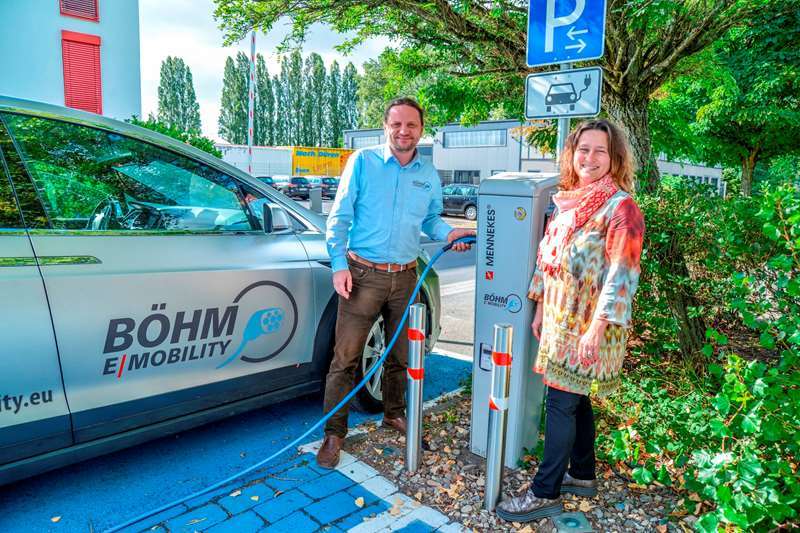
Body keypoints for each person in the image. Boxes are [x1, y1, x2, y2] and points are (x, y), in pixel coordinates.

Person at [496, 119, 645, 522]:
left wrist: (596, 329)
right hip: (560, 319)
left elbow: (621, 275)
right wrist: (541, 306)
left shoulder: (621, 208)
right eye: (584, 149)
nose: (590, 158)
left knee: (561, 402)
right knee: (575, 399)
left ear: (615, 159)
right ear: (572, 154)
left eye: (600, 151)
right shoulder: (570, 202)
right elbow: (550, 261)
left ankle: (544, 491)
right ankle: (582, 473)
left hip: (587, 325)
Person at [317, 97, 476, 469]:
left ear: (421, 130)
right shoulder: (363, 163)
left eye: (412, 125)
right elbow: (338, 217)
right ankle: (333, 433)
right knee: (345, 358)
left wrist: (450, 232)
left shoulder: (427, 173)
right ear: (385, 127)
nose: (404, 131)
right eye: (397, 125)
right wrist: (339, 265)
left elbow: (432, 220)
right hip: (362, 274)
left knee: (400, 354)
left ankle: (394, 413)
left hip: (406, 275)